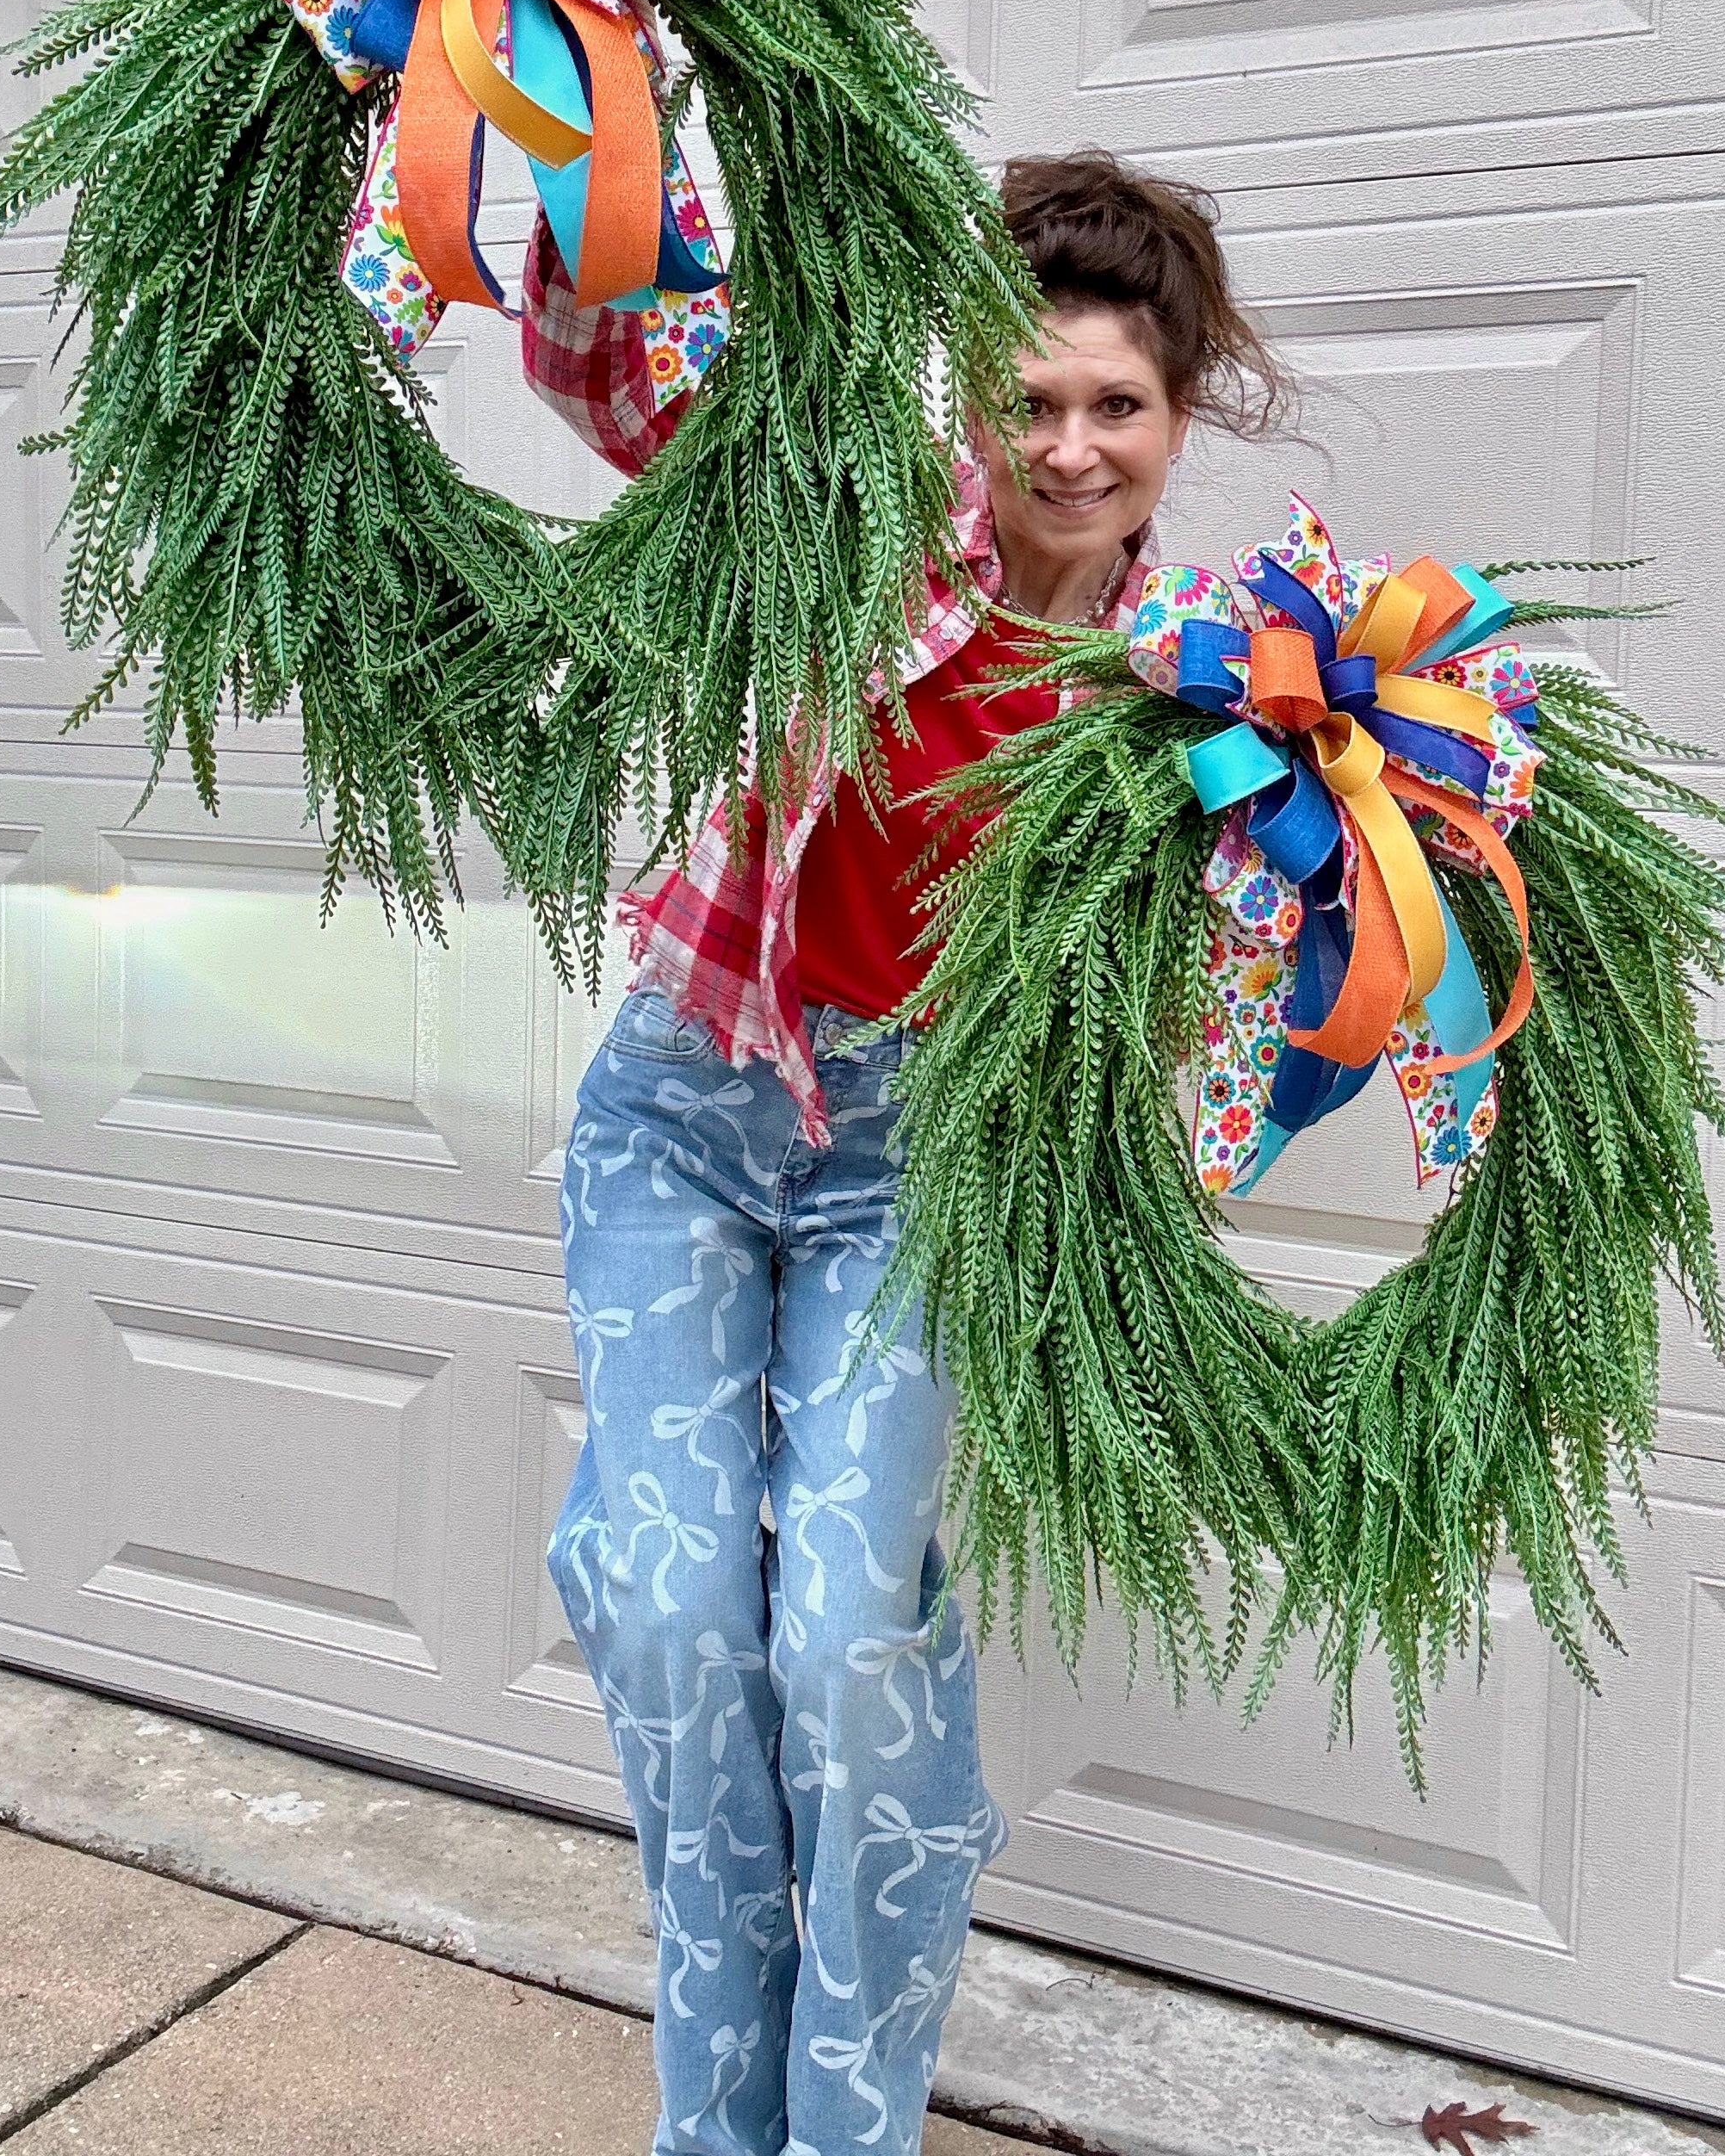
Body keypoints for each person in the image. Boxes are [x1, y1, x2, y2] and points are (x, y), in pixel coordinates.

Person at [526, 149, 1290, 2156]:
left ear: (1179, 416)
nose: (1067, 446)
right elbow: (624, 372)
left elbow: (1256, 975)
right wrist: (562, 97)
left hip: (910, 1174)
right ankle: (720, 2126)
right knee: (680, 1614)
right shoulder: (861, 522)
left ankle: (843, 2126)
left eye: (1114, 405)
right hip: (688, 1109)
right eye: (1029, 399)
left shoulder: (1206, 683)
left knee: (844, 1633)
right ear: (973, 397)